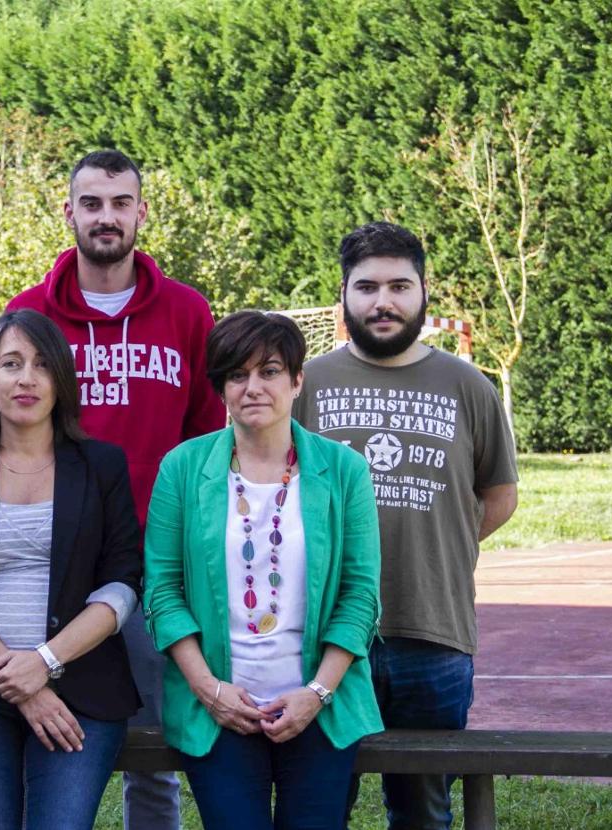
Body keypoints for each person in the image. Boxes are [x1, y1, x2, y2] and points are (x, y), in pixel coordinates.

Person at [7, 149, 225, 830]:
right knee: (34, 725)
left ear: (141, 212)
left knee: (154, 743)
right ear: (68, 211)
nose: (106, 217)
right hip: (54, 560)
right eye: (92, 203)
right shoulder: (28, 311)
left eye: (120, 203)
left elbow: (205, 438)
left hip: (157, 563)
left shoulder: (188, 313)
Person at [292, 222, 519, 829]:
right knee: (317, 806)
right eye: (366, 287)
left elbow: (498, 495)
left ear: (424, 292)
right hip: (318, 632)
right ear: (343, 295)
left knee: (423, 811)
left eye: (399, 285)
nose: (383, 301)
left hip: (433, 634)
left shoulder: (469, 386)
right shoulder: (305, 383)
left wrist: (437, 547)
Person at [143, 310, 383, 829]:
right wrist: (210, 689)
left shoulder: (344, 471)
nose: (253, 387)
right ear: (222, 387)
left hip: (319, 706)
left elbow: (361, 595)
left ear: (297, 380)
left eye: (269, 371)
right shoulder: (182, 468)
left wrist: (315, 693)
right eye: (237, 374)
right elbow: (162, 591)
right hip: (220, 710)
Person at [0, 309, 142, 830]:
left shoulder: (101, 465)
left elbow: (123, 580)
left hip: (81, 684)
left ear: (60, 379)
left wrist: (45, 662)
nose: (26, 379)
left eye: (42, 365)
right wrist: (19, 678)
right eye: (11, 363)